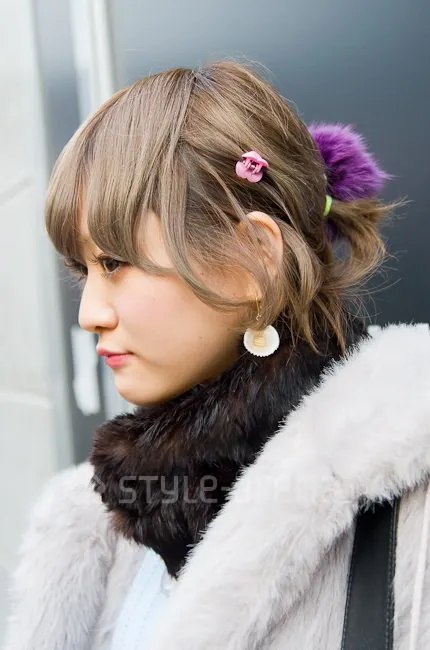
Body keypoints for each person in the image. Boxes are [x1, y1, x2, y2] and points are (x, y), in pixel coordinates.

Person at [4, 60, 430, 650]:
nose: (89, 314)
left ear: (253, 258)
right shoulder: (98, 524)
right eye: (84, 270)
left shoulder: (412, 513)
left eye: (115, 263)